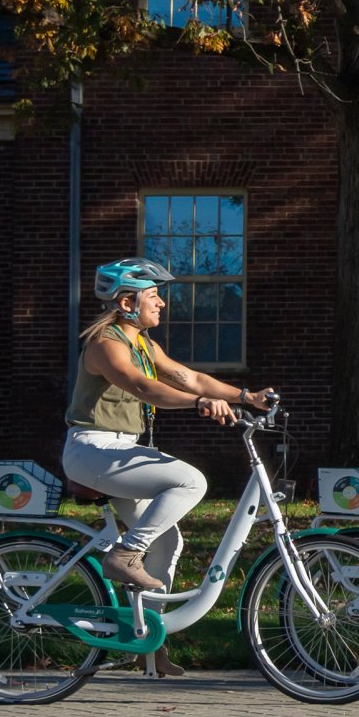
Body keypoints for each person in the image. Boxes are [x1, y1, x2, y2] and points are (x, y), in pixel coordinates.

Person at [62, 257, 276, 610]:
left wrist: (246, 397)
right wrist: (198, 403)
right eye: (153, 296)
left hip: (118, 450)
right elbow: (141, 387)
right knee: (191, 481)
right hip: (91, 449)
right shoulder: (105, 344)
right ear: (127, 303)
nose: (161, 302)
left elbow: (191, 378)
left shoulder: (144, 345)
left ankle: (149, 641)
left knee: (165, 541)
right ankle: (126, 554)